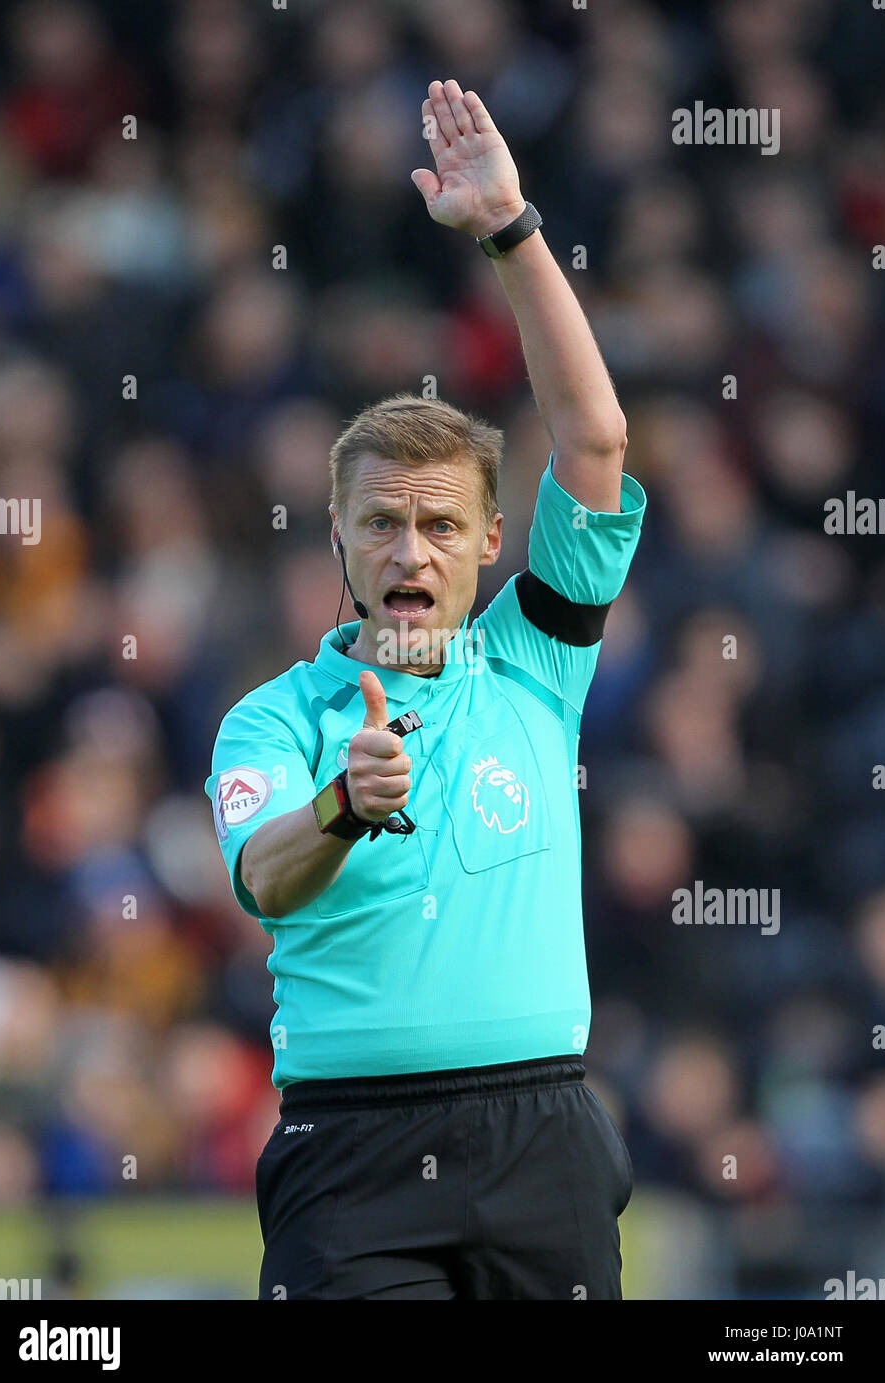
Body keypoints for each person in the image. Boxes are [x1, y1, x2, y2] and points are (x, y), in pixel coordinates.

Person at [206, 79, 645, 1300]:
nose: (411, 551)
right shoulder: (271, 720)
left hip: (543, 1137)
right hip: (350, 1153)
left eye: (442, 524)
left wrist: (510, 230)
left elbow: (596, 439)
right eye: (381, 524)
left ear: (492, 540)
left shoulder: (536, 662)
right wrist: (344, 804)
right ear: (337, 542)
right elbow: (265, 876)